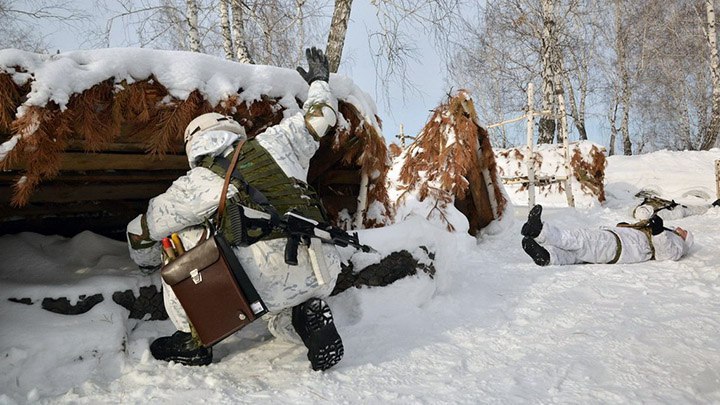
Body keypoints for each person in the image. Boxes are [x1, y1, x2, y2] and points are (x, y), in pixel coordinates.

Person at [126, 47, 345, 371]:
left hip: (261, 281)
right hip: (323, 267)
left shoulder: (194, 184)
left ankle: (193, 340)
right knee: (281, 299)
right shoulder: (279, 140)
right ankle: (302, 315)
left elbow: (141, 229)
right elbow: (321, 116)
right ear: (233, 132)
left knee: (177, 237)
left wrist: (144, 262)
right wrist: (318, 82)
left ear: (193, 146)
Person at [520, 205, 693, 266]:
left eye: (684, 231)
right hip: (617, 246)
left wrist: (658, 232)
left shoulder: (677, 243)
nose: (680, 229)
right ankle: (548, 257)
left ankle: (539, 231)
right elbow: (640, 215)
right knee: (576, 254)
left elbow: (667, 255)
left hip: (619, 246)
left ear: (685, 239)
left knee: (581, 240)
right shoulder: (667, 234)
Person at [632, 194, 720, 221]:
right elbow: (678, 214)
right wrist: (678, 207)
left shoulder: (638, 208)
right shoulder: (660, 214)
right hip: (678, 209)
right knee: (695, 209)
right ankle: (712, 206)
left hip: (668, 205)